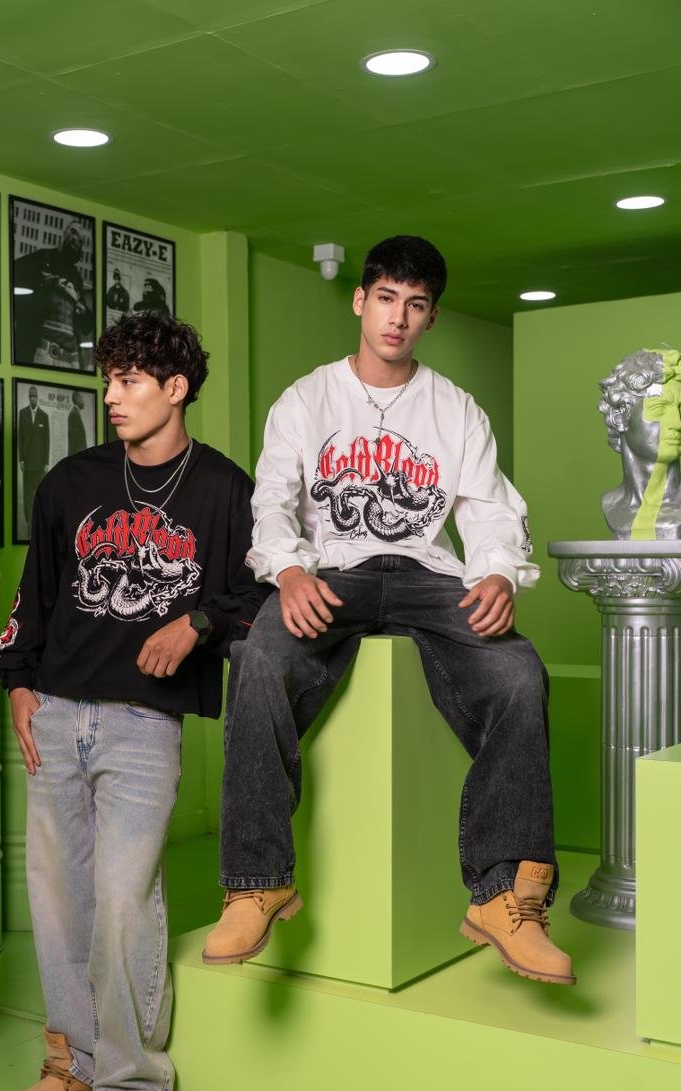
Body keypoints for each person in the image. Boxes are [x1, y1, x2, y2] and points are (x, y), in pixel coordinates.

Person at [202, 234, 575, 987]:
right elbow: (271, 503)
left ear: (431, 317)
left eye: (415, 305)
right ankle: (256, 883)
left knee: (517, 674)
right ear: (359, 301)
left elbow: (490, 510)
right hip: (330, 572)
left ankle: (504, 897)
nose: (397, 318)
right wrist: (289, 570)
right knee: (259, 657)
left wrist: (498, 574)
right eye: (385, 299)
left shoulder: (455, 409)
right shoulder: (307, 399)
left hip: (427, 575)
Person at [0, 311, 269, 1091]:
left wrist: (196, 624)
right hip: (56, 713)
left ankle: (132, 1089)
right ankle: (70, 1063)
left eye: (130, 381)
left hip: (145, 724)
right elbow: (36, 593)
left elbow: (259, 591)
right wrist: (18, 680)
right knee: (56, 902)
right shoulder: (70, 482)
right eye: (108, 380)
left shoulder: (224, 489)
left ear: (176, 388)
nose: (112, 396)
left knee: (120, 901)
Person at [598, 348, 681, 539]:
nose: (677, 423)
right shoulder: (611, 504)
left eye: (680, 409)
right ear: (620, 418)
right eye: (659, 408)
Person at [13, 217, 92, 370]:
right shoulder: (43, 257)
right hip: (42, 346)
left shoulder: (76, 278)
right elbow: (15, 271)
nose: (75, 238)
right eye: (73, 231)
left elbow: (86, 326)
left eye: (80, 239)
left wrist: (81, 308)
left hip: (69, 353)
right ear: (64, 233)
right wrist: (40, 281)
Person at [17, 385, 50, 532]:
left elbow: (47, 440)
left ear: (38, 397)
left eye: (34, 396)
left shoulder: (44, 416)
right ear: (28, 397)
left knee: (39, 494)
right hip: (27, 463)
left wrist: (46, 462)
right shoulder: (22, 413)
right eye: (30, 396)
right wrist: (21, 459)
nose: (32, 398)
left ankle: (38, 524)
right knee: (27, 495)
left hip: (40, 463)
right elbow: (20, 437)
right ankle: (29, 522)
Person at [67, 388, 88, 456]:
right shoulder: (74, 414)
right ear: (77, 399)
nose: (83, 400)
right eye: (81, 398)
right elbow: (75, 440)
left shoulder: (75, 413)